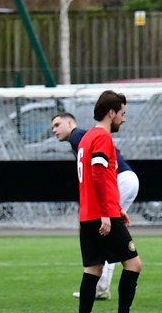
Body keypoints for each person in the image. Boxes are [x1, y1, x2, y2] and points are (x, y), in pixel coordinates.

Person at [72, 90, 149, 313]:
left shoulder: (86, 138)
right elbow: (97, 175)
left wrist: (116, 207)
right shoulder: (102, 137)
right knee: (134, 264)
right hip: (100, 215)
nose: (124, 119)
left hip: (87, 215)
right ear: (111, 113)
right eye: (122, 114)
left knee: (93, 269)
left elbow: (96, 178)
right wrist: (107, 213)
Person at [51, 111, 140, 301]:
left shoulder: (77, 136)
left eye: (57, 125)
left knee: (106, 232)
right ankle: (105, 284)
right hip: (127, 178)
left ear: (70, 123)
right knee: (108, 234)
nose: (54, 130)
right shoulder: (83, 137)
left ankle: (120, 277)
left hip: (120, 179)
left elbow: (97, 167)